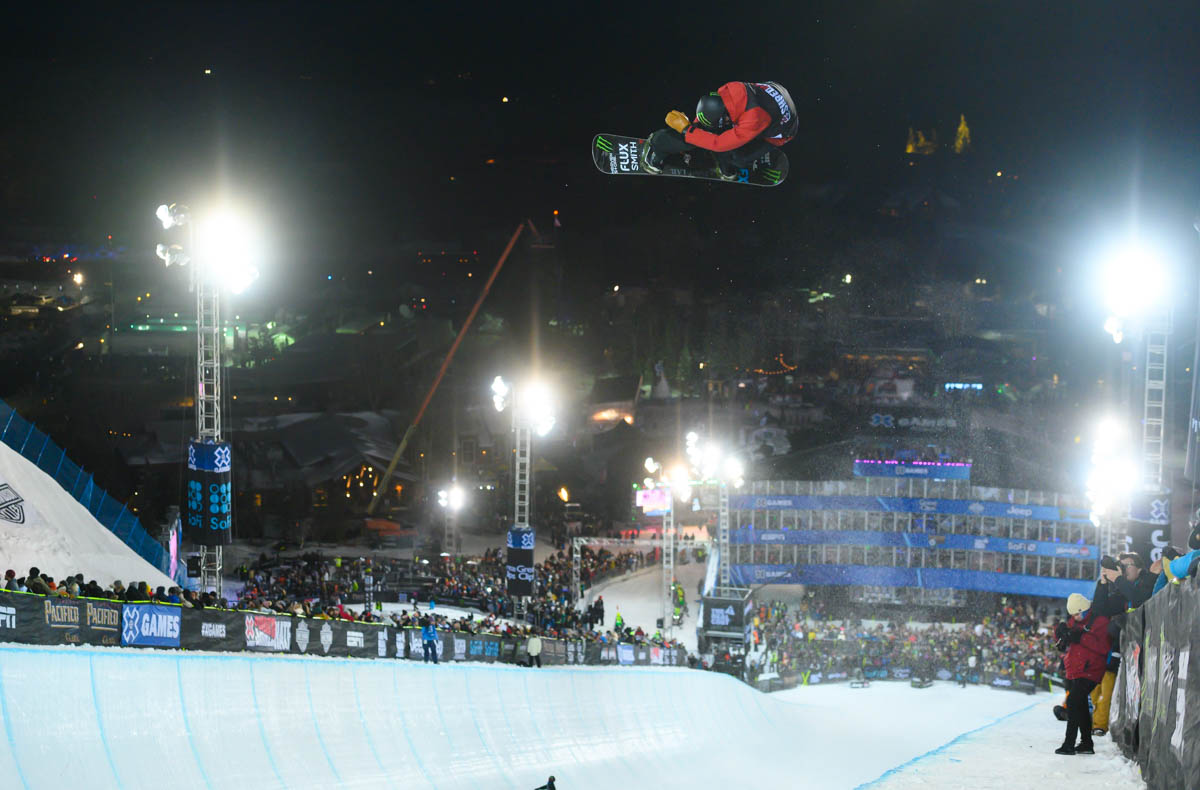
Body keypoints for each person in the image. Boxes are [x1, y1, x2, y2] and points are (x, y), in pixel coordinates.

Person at [642, 81, 798, 180]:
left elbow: (719, 143)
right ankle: (658, 144)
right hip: (772, 96)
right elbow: (710, 117)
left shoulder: (754, 118)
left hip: (779, 132)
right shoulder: (728, 90)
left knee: (737, 157)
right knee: (703, 133)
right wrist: (694, 129)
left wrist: (686, 130)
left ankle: (728, 162)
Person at [1054, 593, 1110, 755]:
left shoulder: (1100, 621)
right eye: (1073, 615)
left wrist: (1082, 638)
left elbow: (1104, 647)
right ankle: (1086, 743)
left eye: (1079, 614)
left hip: (1091, 670)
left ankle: (1069, 743)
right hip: (1077, 670)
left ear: (1086, 609)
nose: (1076, 617)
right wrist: (1060, 634)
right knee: (1081, 705)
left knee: (1072, 701)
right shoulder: (1074, 622)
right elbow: (1066, 641)